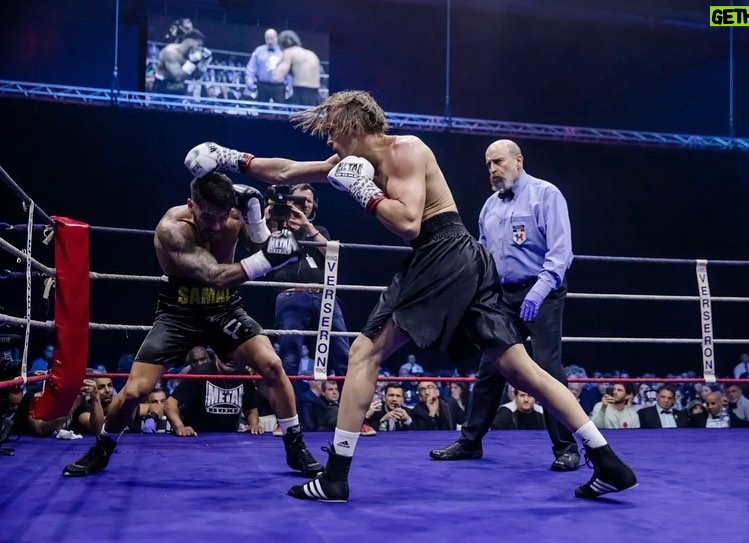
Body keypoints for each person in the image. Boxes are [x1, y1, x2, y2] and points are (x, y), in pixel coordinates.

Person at [183, 90, 637, 503]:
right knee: (520, 368)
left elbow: (408, 224)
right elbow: (284, 169)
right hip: (464, 261)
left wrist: (364, 192)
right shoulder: (351, 161)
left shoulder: (408, 149)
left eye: (332, 133)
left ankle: (336, 475)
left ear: (354, 126)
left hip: (441, 251)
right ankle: (606, 459)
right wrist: (232, 158)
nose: (328, 145)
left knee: (363, 352)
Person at [61, 173, 323, 478]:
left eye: (220, 218)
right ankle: (101, 448)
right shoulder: (172, 229)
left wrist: (256, 216)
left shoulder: (233, 217)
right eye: (207, 216)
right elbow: (214, 274)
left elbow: (261, 243)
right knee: (135, 391)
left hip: (224, 309)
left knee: (272, 365)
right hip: (178, 314)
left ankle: (295, 446)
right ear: (191, 205)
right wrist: (266, 260)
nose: (214, 226)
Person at [430, 139, 579, 471]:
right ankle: (470, 442)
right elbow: (482, 256)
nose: (493, 170)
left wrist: (539, 290)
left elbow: (561, 251)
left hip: (542, 291)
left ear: (518, 161)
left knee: (546, 367)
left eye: (498, 162)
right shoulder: (489, 207)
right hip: (500, 296)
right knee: (490, 369)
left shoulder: (547, 195)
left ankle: (567, 448)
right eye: (488, 165)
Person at [266, 183, 350, 379]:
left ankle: (348, 408)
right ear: (288, 201)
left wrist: (306, 225)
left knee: (343, 354)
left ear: (314, 206)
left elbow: (332, 253)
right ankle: (288, 408)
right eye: (298, 200)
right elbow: (259, 233)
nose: (303, 205)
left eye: (308, 201)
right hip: (291, 294)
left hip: (324, 295)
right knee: (289, 356)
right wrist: (272, 207)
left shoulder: (318, 230)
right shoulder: (276, 227)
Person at [269, 30, 322, 106]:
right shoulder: (311, 54)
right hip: (316, 96)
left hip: (300, 95)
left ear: (281, 44)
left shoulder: (289, 52)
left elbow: (277, 77)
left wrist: (272, 64)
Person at [155, 29, 212, 95]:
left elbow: (196, 77)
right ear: (189, 41)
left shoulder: (190, 54)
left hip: (180, 91)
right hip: (163, 91)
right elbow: (178, 77)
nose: (199, 48)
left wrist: (204, 63)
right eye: (199, 45)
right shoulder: (170, 53)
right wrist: (192, 63)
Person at [245, 28, 287, 103]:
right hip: (262, 85)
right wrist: (249, 80)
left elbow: (287, 70)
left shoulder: (283, 52)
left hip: (279, 86)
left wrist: (289, 86)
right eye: (267, 39)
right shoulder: (258, 51)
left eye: (272, 38)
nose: (269, 41)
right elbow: (250, 68)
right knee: (262, 110)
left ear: (277, 38)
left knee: (280, 110)